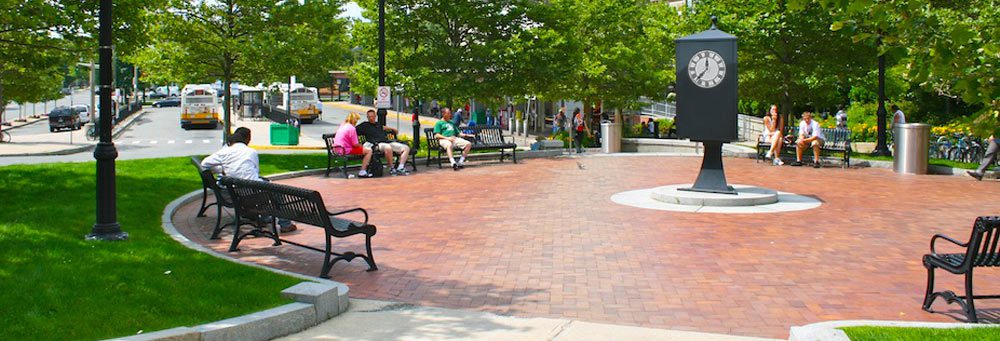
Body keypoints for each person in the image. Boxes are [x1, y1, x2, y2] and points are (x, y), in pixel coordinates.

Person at [202, 127, 296, 232]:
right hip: (250, 194)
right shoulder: (251, 152)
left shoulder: (224, 152)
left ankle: (264, 218)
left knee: (263, 183)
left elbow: (204, 163)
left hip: (232, 193)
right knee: (276, 191)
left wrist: (220, 169)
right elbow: (255, 172)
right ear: (246, 140)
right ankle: (285, 224)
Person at [356, 109, 411, 176]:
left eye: (372, 116)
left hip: (387, 142)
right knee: (388, 147)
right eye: (369, 116)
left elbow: (384, 127)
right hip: (377, 144)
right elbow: (353, 131)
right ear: (367, 117)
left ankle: (401, 167)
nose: (371, 118)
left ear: (375, 116)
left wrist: (393, 129)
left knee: (406, 148)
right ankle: (391, 168)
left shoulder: (378, 124)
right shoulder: (364, 125)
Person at [333, 112, 375, 178]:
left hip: (337, 149)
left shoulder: (343, 125)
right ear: (354, 120)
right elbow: (355, 144)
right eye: (357, 120)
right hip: (345, 150)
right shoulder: (352, 128)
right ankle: (362, 171)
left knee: (365, 150)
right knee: (369, 150)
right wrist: (363, 146)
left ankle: (364, 170)